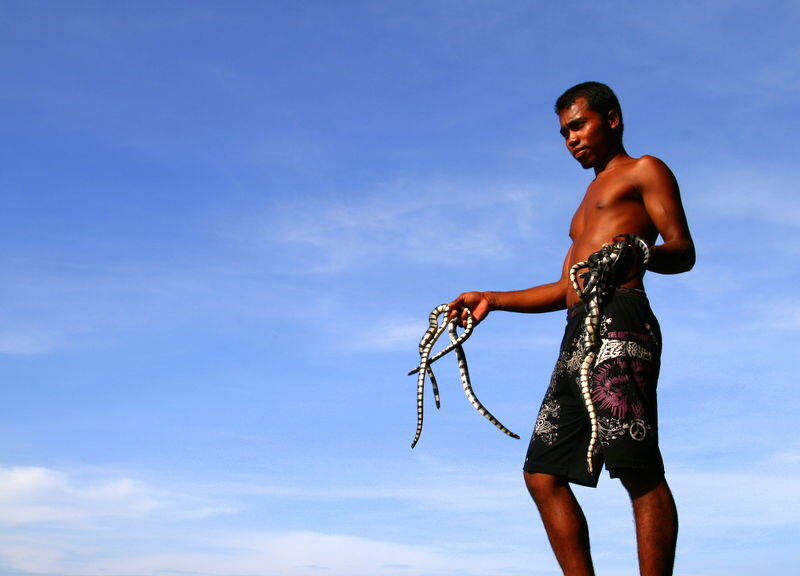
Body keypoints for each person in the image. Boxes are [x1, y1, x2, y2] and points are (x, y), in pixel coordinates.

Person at [447, 82, 695, 576]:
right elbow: (565, 289)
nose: (571, 140)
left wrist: (638, 252)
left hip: (623, 317)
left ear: (612, 118)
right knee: (542, 474)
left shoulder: (644, 169)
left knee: (634, 463)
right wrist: (492, 300)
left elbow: (683, 250)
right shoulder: (582, 206)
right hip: (577, 332)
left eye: (578, 126)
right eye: (564, 133)